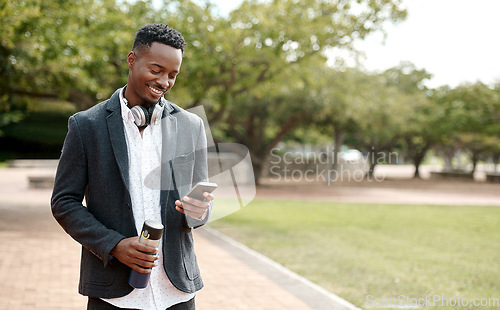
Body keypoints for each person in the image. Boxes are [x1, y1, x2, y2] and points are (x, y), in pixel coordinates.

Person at [51, 24, 214, 310]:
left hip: (177, 293)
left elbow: (200, 205)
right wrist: (114, 245)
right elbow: (64, 202)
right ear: (131, 60)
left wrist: (199, 212)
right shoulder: (86, 125)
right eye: (156, 70)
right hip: (112, 294)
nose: (164, 81)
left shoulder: (191, 126)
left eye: (172, 75)